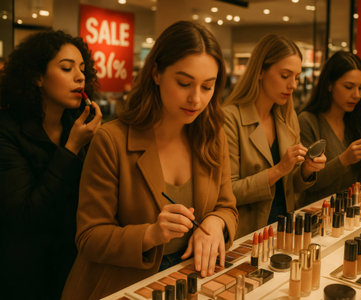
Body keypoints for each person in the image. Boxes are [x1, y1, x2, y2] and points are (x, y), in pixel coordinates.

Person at [61, 21, 238, 299]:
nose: (195, 99)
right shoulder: (112, 140)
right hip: (121, 285)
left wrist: (216, 223)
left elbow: (227, 206)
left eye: (207, 87)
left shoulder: (212, 135)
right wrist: (151, 234)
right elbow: (89, 238)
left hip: (190, 279)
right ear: (156, 73)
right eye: (184, 83)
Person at [0, 30, 102, 299]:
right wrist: (72, 149)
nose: (79, 76)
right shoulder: (7, 130)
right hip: (25, 274)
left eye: (82, 68)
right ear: (37, 76)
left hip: (72, 264)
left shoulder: (77, 124)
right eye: (66, 68)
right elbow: (26, 215)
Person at [223, 34, 326, 238]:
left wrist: (306, 169)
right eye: (285, 75)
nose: (293, 85)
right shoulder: (230, 118)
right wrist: (279, 169)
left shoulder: (287, 117)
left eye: (296, 77)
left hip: (284, 229)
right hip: (246, 235)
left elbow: (292, 185)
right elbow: (228, 192)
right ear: (260, 71)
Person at [298, 51, 361, 202]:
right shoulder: (308, 121)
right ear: (330, 85)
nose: (357, 95)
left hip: (354, 212)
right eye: (349, 87)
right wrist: (344, 160)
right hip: (317, 214)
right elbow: (308, 184)